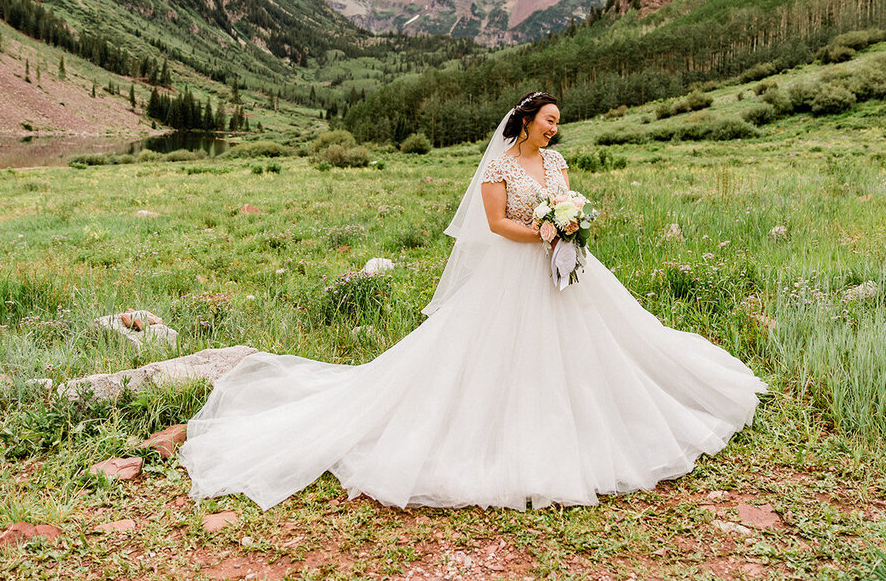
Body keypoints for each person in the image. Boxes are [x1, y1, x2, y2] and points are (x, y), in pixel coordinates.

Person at [179, 91, 767, 511]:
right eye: (548, 120)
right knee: (494, 354)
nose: (554, 129)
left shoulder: (557, 162)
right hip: (514, 269)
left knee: (603, 343)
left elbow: (564, 199)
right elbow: (492, 224)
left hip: (563, 264)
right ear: (527, 120)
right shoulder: (498, 165)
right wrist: (538, 230)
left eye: (559, 123)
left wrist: (569, 222)